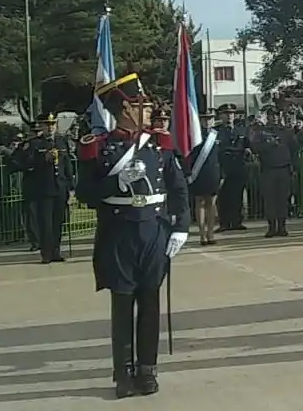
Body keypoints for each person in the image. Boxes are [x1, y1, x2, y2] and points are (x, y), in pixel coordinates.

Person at [74, 73, 190, 398]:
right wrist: (117, 182)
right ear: (125, 109)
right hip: (118, 232)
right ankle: (123, 373)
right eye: (142, 106)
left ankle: (147, 371)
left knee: (150, 303)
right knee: (122, 306)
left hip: (153, 230)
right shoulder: (96, 147)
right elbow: (85, 194)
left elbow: (178, 189)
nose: (147, 112)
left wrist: (181, 227)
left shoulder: (161, 143)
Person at [14, 112, 73, 263]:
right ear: (41, 126)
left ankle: (56, 251)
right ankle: (46, 253)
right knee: (45, 222)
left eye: (52, 124)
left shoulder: (61, 141)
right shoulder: (35, 144)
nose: (50, 127)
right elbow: (26, 163)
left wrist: (70, 185)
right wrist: (43, 159)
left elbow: (67, 164)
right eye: (47, 125)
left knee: (58, 221)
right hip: (43, 188)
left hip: (60, 186)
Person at [248, 109, 300, 238]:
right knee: (270, 200)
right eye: (271, 116)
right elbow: (255, 148)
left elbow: (294, 150)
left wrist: (294, 168)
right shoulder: (261, 133)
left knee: (283, 199)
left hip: (284, 169)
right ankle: (271, 227)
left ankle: (282, 226)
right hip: (268, 170)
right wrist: (269, 145)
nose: (274, 118)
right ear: (268, 117)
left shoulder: (286, 132)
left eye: (276, 115)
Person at [186, 108, 222, 245]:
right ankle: (202, 234)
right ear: (200, 120)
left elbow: (221, 156)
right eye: (205, 118)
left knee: (211, 203)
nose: (207, 121)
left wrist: (222, 174)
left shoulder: (216, 135)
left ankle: (210, 233)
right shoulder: (195, 135)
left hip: (213, 172)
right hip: (198, 172)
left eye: (210, 118)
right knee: (200, 202)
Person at [213, 104, 251, 232]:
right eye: (226, 113)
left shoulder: (241, 130)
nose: (229, 116)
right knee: (223, 196)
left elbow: (247, 144)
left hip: (238, 166)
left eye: (231, 113)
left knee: (237, 195)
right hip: (223, 166)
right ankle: (224, 223)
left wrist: (248, 149)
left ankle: (236, 221)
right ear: (221, 116)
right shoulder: (216, 131)